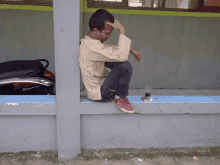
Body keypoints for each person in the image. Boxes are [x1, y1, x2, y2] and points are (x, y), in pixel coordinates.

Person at [79, 9, 142, 114]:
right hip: (100, 94)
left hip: (100, 87)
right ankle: (120, 97)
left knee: (115, 61)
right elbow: (121, 56)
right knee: (124, 66)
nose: (109, 36)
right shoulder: (92, 47)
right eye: (107, 33)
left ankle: (116, 94)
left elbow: (106, 50)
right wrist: (121, 29)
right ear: (95, 30)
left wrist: (129, 50)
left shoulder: (88, 41)